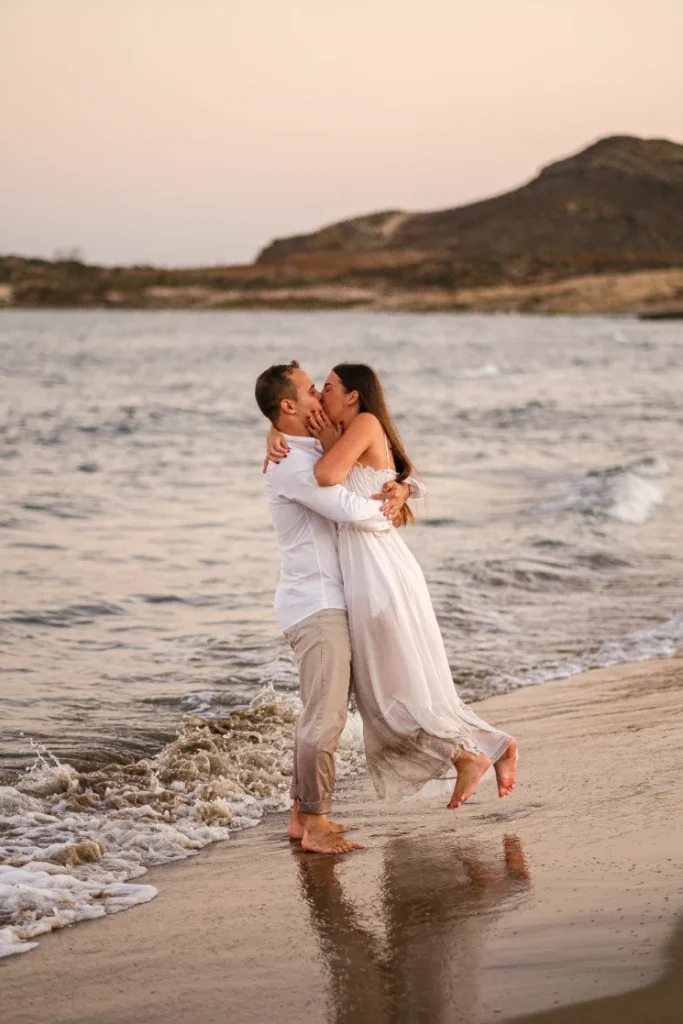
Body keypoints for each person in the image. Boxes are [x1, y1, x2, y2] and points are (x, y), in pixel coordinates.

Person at [266, 362, 518, 811]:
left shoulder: (359, 425)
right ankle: (483, 746)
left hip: (376, 569)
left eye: (327, 388)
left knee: (389, 692)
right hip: (363, 571)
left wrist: (399, 493)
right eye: (314, 390)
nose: (320, 396)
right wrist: (275, 434)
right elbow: (387, 474)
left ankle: (469, 752)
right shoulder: (326, 441)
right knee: (389, 691)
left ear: (353, 397)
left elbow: (332, 480)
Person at [255, 361, 416, 855]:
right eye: (310, 391)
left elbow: (378, 466)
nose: (320, 397)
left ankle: (301, 815)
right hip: (317, 605)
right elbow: (351, 509)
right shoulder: (292, 465)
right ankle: (316, 822)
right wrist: (391, 508)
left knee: (324, 714)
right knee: (323, 718)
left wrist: (406, 486)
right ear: (289, 406)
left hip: (335, 600)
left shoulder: (307, 445)